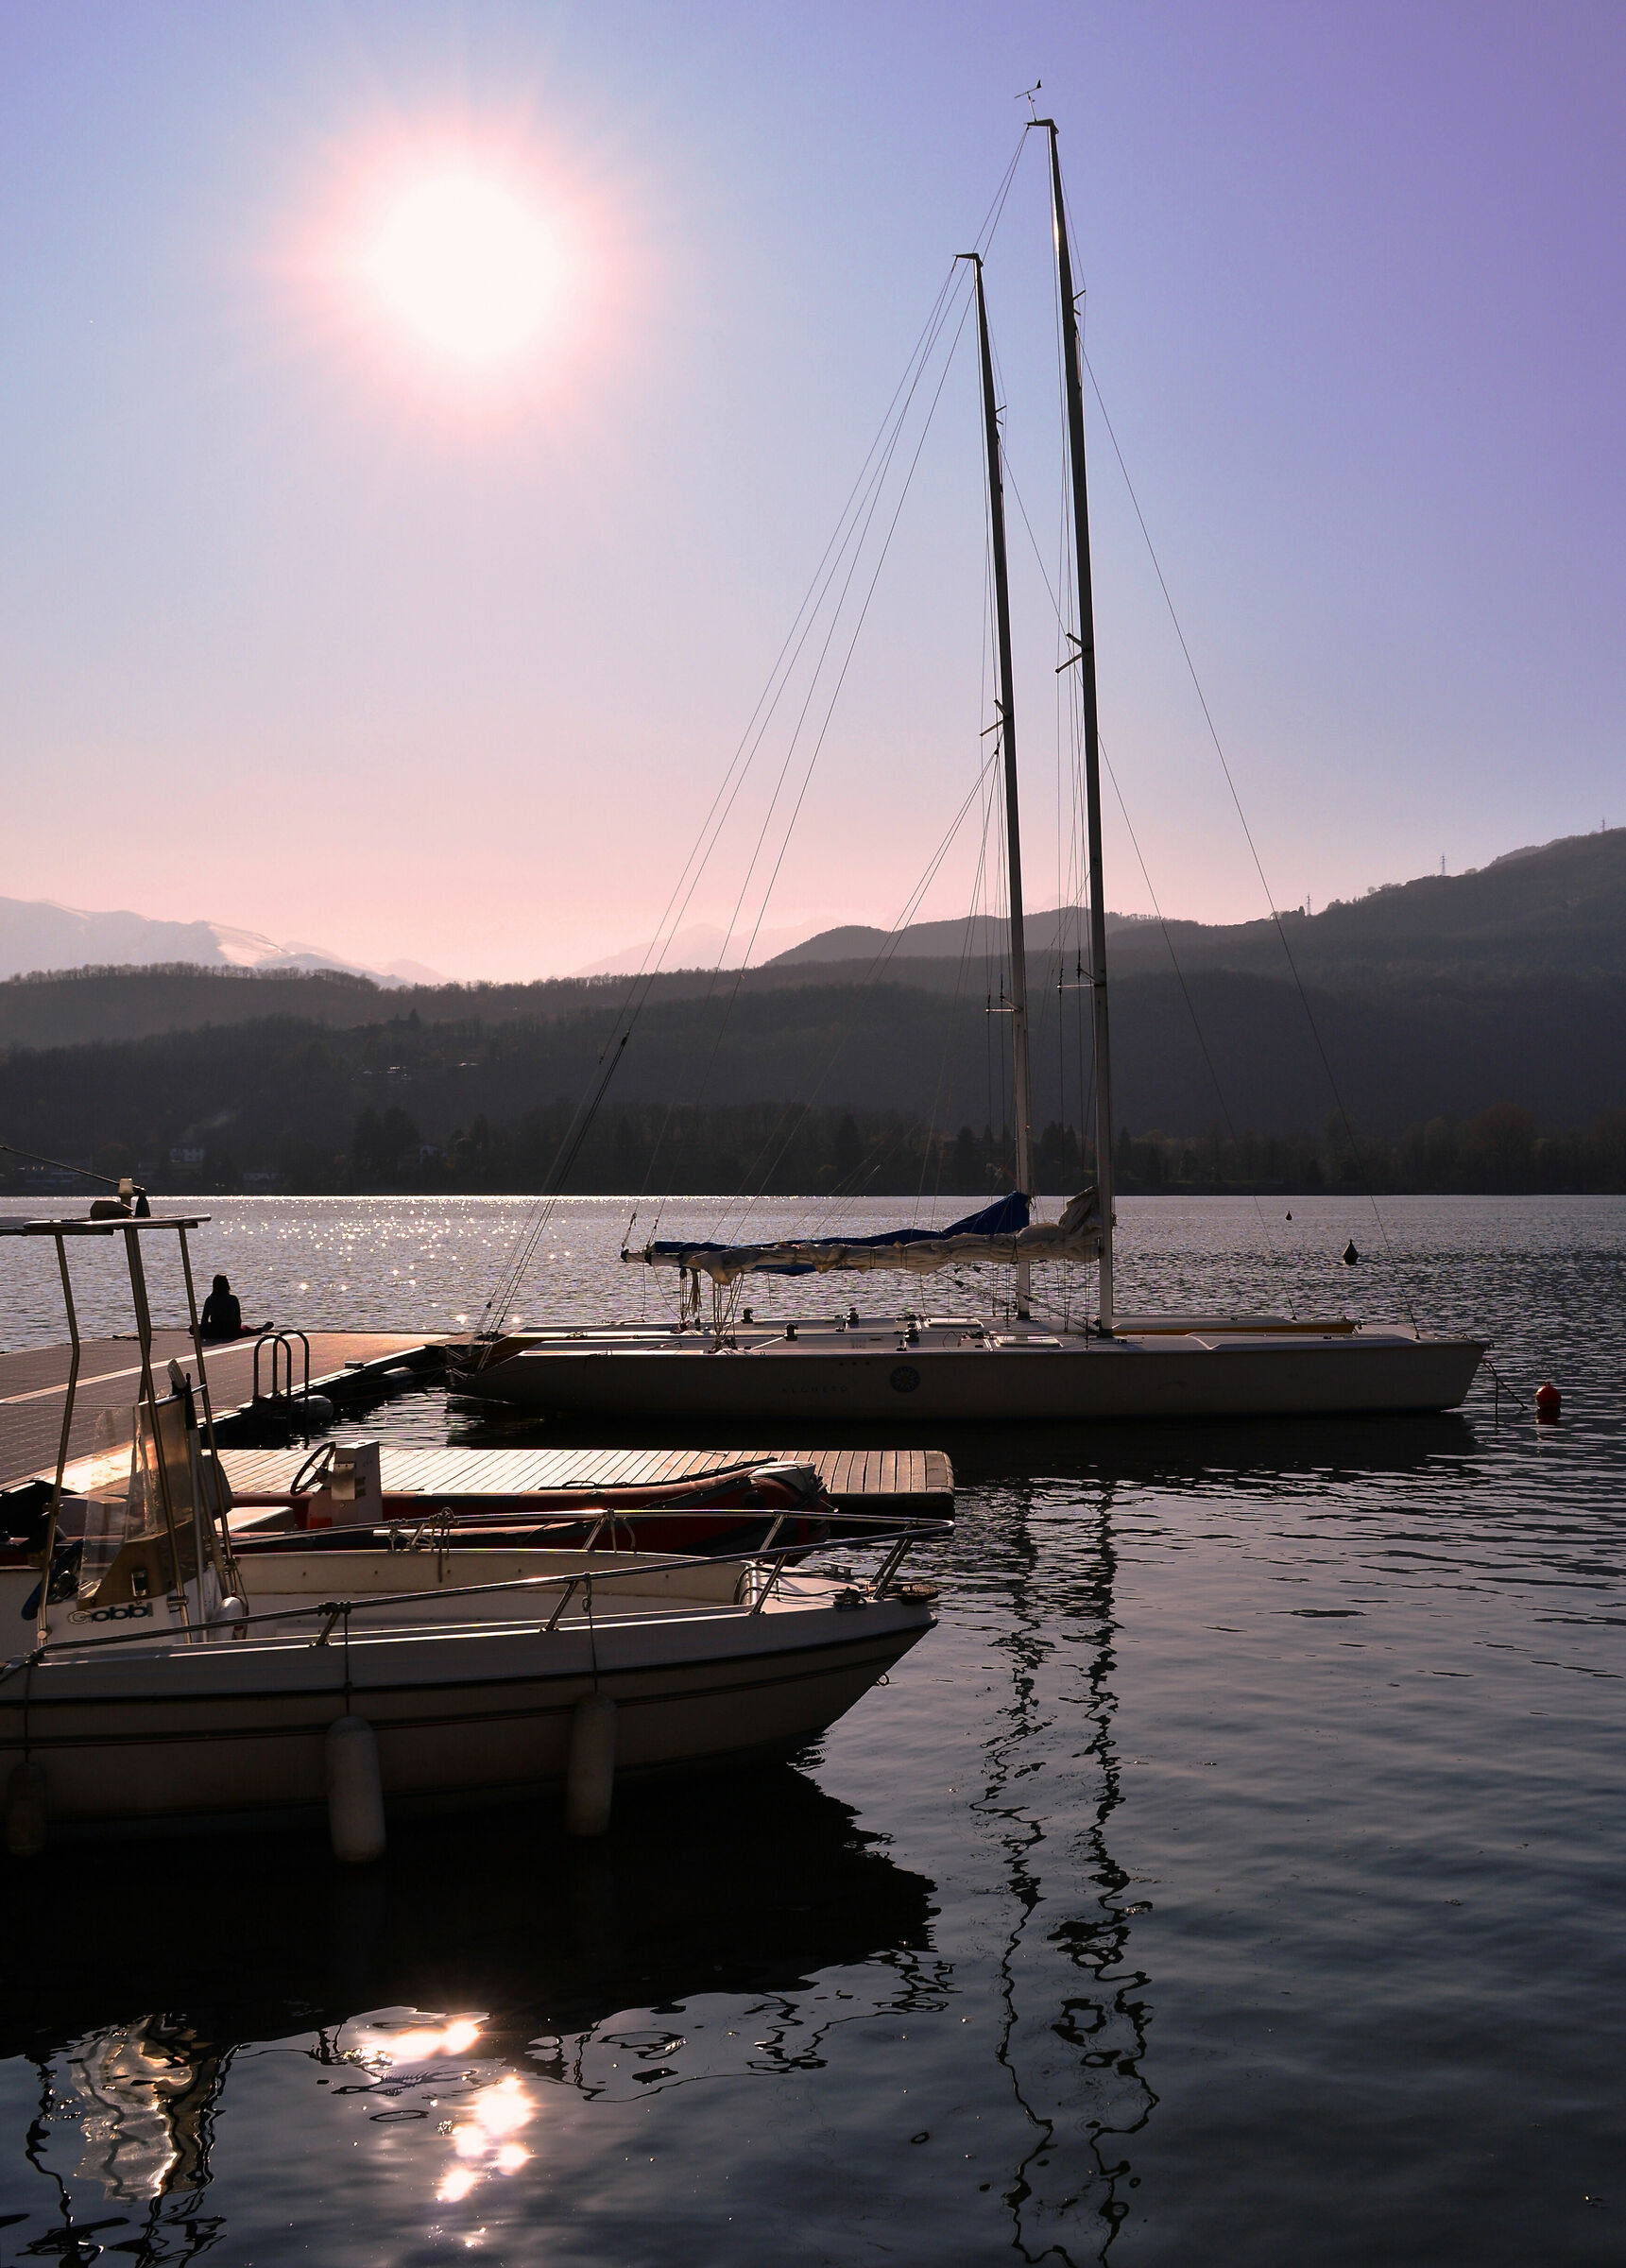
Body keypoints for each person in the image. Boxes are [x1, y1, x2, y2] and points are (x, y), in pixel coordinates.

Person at [199, 1274, 243, 1342]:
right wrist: (237, 1330)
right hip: (231, 1329)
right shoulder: (233, 1299)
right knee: (246, 1329)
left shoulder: (210, 1299)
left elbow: (204, 1320)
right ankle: (260, 1329)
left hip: (215, 1330)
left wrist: (203, 1331)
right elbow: (238, 1319)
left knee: (193, 1328)